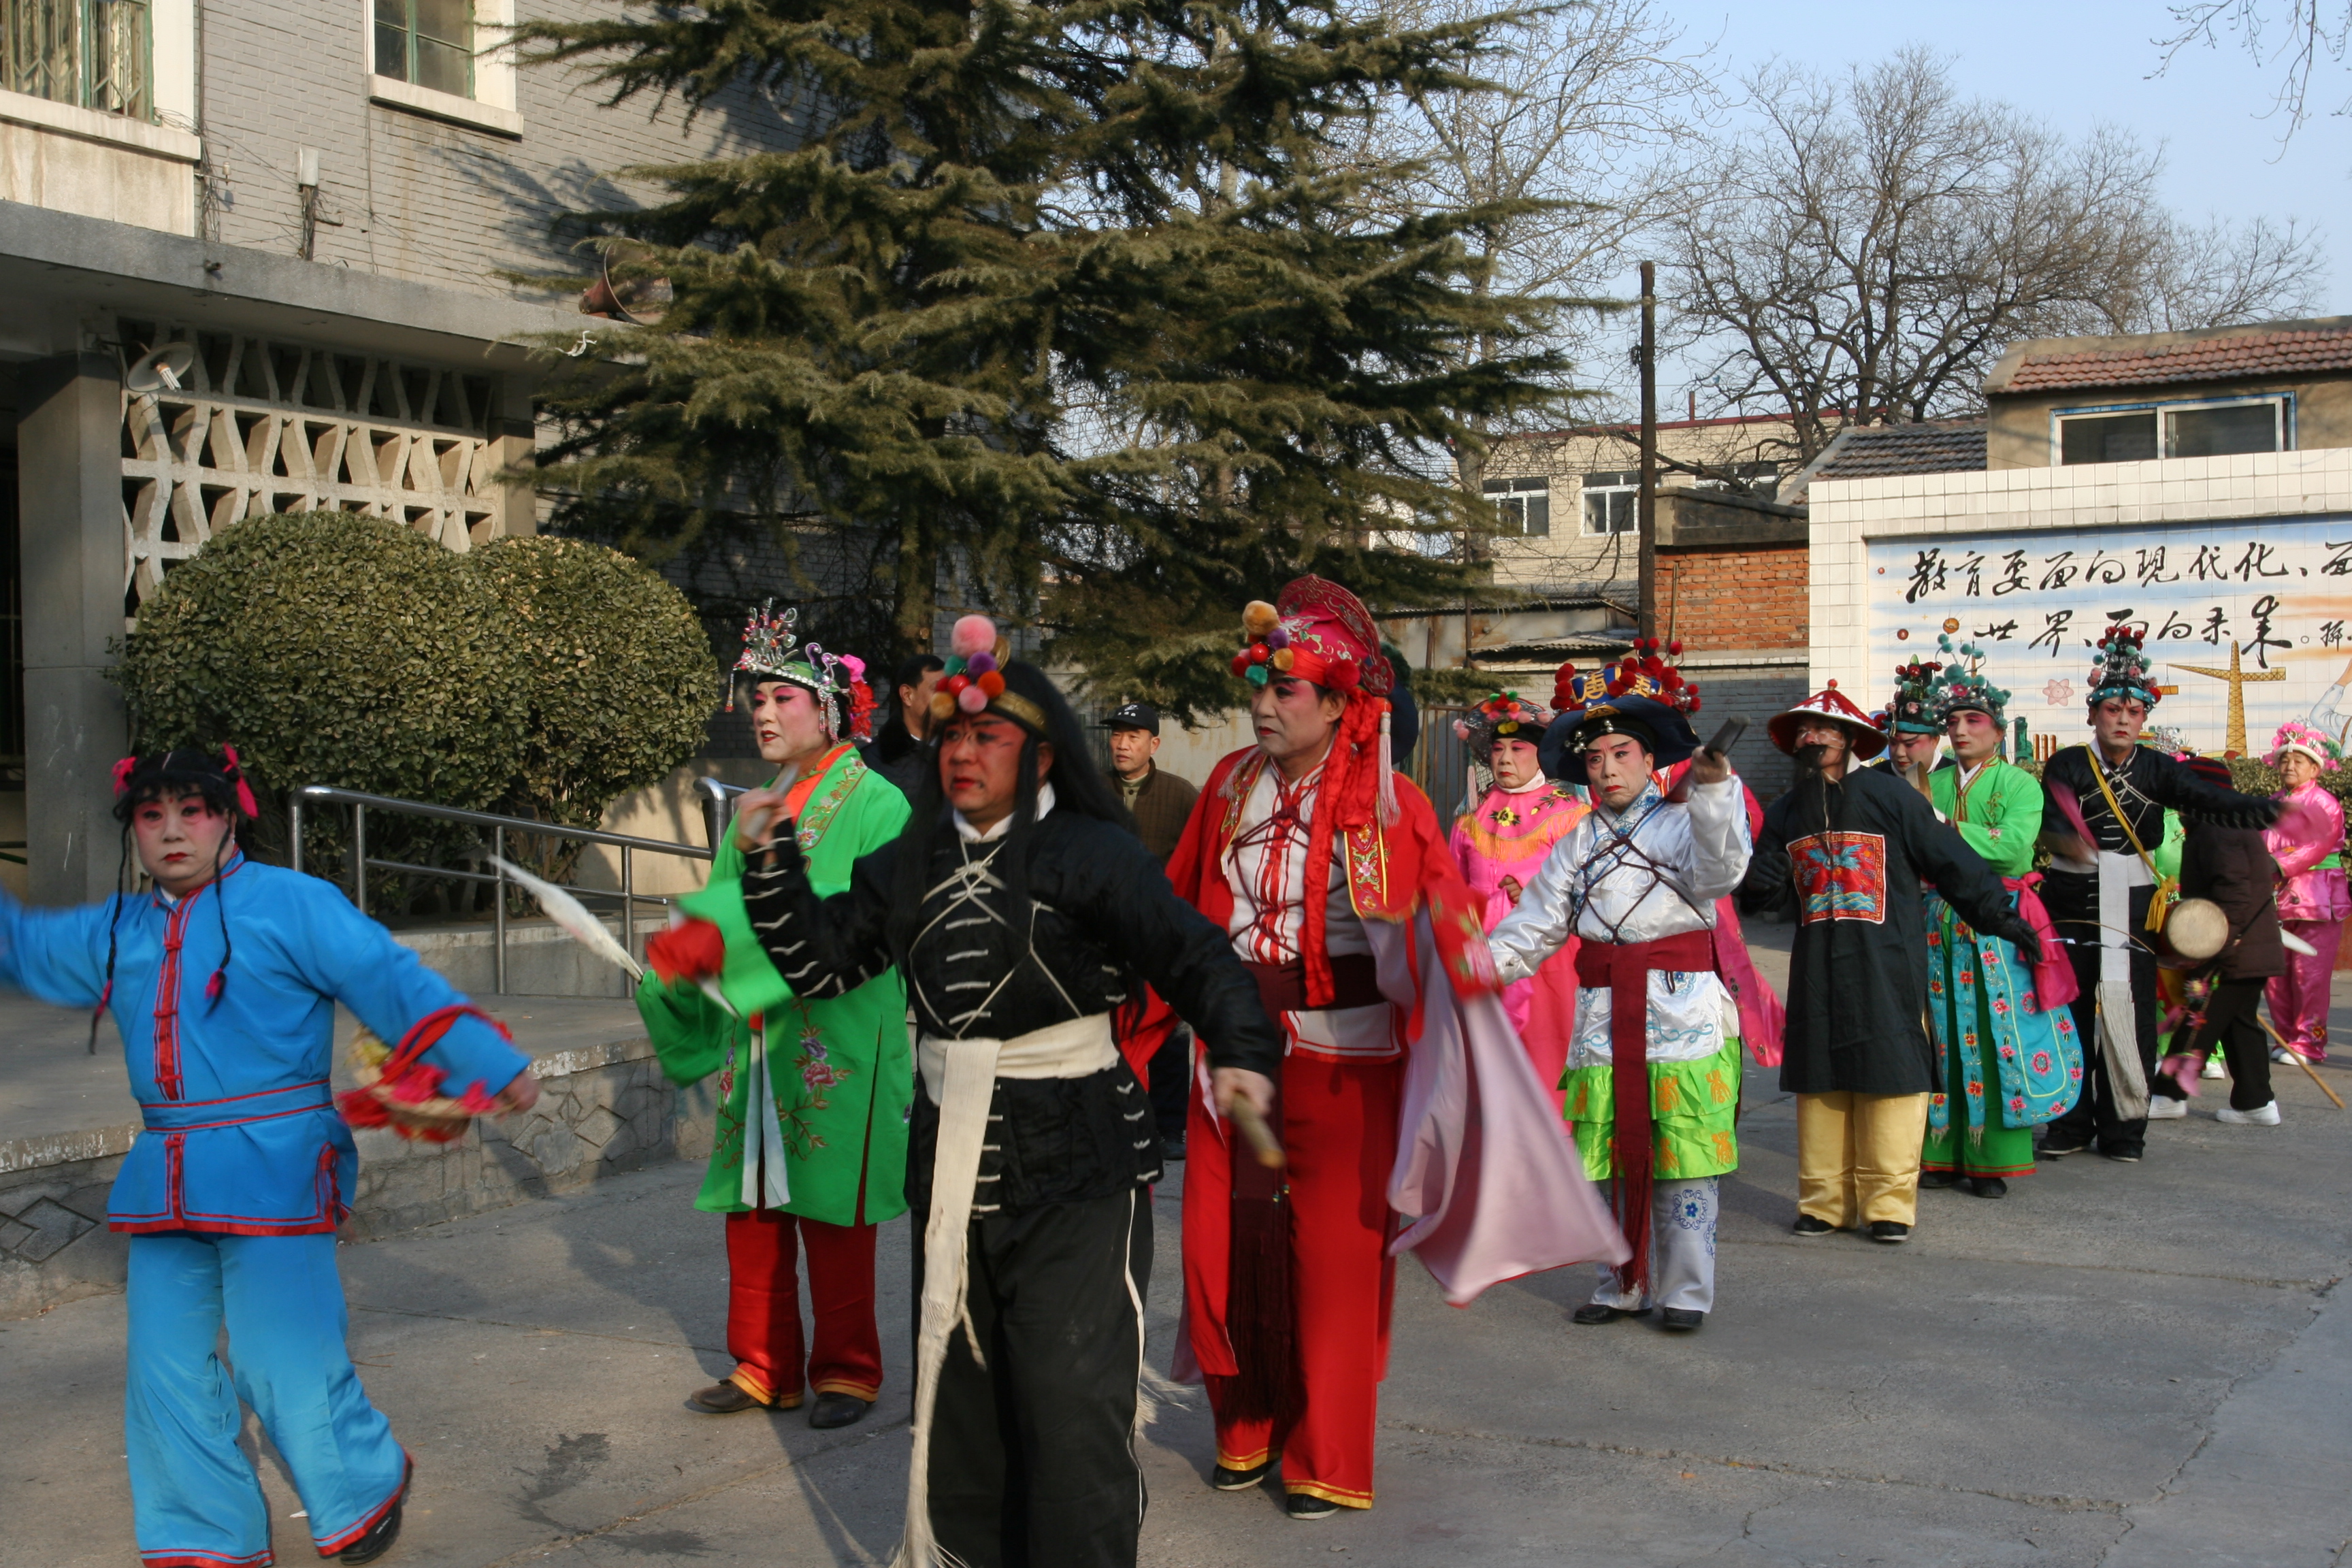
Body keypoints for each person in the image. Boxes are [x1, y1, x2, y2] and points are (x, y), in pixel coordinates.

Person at [721, 615, 1285, 1568]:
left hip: (1079, 1163)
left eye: (989, 736)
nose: (963, 754)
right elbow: (823, 967)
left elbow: (1197, 958)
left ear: (1042, 754)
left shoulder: (1093, 855)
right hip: (951, 1160)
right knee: (964, 1397)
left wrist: (1239, 1050)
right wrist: (772, 864)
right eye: (949, 737)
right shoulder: (911, 859)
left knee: (1070, 1403)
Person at [0, 748, 536, 1567]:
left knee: (282, 1359)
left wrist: (490, 1063)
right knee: (163, 1368)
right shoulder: (116, 928)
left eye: (193, 810)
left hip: (276, 1164)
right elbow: (22, 943)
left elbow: (390, 981)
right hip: (168, 1174)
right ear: (133, 829)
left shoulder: (294, 904)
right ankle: (203, 1534)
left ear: (229, 816)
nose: (173, 831)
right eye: (152, 815)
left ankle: (366, 1482)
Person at [1160, 577, 1620, 1520]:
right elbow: (1175, 907)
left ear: (1338, 703)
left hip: (1347, 1060)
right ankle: (1243, 1425)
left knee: (1333, 1262)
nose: (1261, 705)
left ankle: (1324, 1455)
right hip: (1234, 1059)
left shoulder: (1391, 802)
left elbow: (1441, 928)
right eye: (1258, 685)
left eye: (1285, 690)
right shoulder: (1228, 786)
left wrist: (1444, 971)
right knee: (1220, 1246)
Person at [636, 602, 910, 1427]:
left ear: (830, 712)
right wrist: (683, 953)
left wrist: (742, 944)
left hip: (839, 1032)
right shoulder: (756, 805)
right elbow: (727, 909)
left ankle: (848, 1370)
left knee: (830, 1210)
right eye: (757, 700)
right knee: (753, 1205)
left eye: (782, 699)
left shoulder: (880, 804)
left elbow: (862, 922)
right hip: (757, 1036)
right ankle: (763, 1365)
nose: (762, 711)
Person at [1486, 648, 1748, 1330]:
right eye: (1596, 758)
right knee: (1604, 1161)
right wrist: (1470, 968)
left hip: (1681, 1012)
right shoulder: (1575, 841)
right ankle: (1619, 1283)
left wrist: (1716, 790)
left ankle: (1686, 1292)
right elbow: (1533, 926)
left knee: (1682, 1160)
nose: (1607, 769)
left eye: (1622, 753)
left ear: (1651, 757)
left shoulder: (1689, 819)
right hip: (1604, 1016)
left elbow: (1723, 874)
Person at [1739, 685, 2043, 1244]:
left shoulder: (1891, 795)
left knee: (1891, 1079)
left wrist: (2002, 916)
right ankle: (1823, 1202)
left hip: (1889, 963)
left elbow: (1951, 863)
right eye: (1804, 730)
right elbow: (1762, 892)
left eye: (1825, 729)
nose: (1813, 738)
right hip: (1816, 969)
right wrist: (1757, 887)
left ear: (1851, 739)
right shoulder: (1786, 810)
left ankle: (1888, 1205)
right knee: (1821, 1081)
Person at [2036, 627, 2277, 1162]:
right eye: (2112, 708)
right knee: (2070, 1013)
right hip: (2072, 900)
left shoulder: (2159, 768)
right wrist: (2068, 843)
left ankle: (2125, 1128)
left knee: (2132, 1016)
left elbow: (2205, 797)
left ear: (2145, 718)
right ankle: (2071, 1123)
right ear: (2093, 715)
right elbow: (2054, 822)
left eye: (2134, 710)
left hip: (2134, 900)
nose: (2122, 718)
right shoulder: (2068, 764)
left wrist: (2262, 811)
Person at [1912, 642, 2082, 1198]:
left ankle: (1994, 1159)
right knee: (1938, 1034)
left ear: (1998, 728)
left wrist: (1936, 827)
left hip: (1994, 920)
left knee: (1996, 1033)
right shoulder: (1930, 781)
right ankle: (1938, 1152)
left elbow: (2012, 850)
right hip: (1935, 921)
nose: (1961, 730)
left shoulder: (2019, 785)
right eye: (1953, 721)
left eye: (1974, 720)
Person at [1447, 689, 1586, 1104]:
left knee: (1548, 1053)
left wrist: (1532, 894)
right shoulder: (1470, 820)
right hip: (1481, 958)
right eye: (1498, 749)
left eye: (1518, 748)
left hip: (1548, 959)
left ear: (1540, 755)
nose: (1505, 758)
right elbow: (1450, 888)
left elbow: (1589, 892)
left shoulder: (1570, 816)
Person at [2149, 755, 2285, 1125]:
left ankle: (2169, 1094)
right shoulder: (2223, 821)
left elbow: (2234, 894)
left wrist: (2219, 947)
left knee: (2199, 1019)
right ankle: (2256, 1103)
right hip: (2247, 946)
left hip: (2233, 947)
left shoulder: (2218, 825)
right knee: (2240, 1023)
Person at [1099, 700, 1203, 1158]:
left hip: (1160, 931)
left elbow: (1198, 859)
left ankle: (1171, 1126)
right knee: (1105, 1027)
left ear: (1153, 744)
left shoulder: (1181, 795)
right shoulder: (1092, 790)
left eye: (1133, 736)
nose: (1122, 744)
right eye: (1117, 735)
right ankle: (1108, 1116)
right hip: (1102, 930)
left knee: (1167, 1030)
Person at [2259, 722, 2347, 1064]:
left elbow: (2316, 845)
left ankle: (2309, 1043)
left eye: (2299, 761)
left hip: (2317, 899)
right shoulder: (2271, 803)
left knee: (2309, 976)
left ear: (2315, 767)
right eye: (2285, 760)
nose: (2290, 766)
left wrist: (2273, 863)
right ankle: (2285, 1038)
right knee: (2275, 975)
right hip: (2276, 901)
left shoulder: (2325, 803)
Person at [864, 650, 946, 794]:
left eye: (949, 689)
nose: (946, 698)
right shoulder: (873, 760)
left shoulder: (957, 751)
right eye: (938, 689)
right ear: (907, 695)